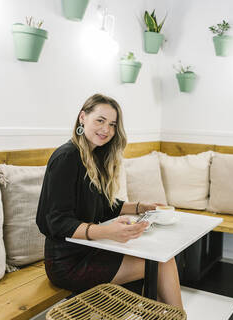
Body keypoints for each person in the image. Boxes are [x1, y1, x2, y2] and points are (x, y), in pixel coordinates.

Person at [36, 93, 183, 308]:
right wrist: (108, 232)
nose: (106, 130)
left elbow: (103, 207)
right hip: (68, 262)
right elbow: (57, 222)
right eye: (100, 120)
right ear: (82, 118)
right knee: (161, 263)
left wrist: (141, 207)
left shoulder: (94, 158)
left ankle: (169, 314)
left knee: (161, 266)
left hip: (91, 249)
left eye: (112, 124)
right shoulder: (67, 157)